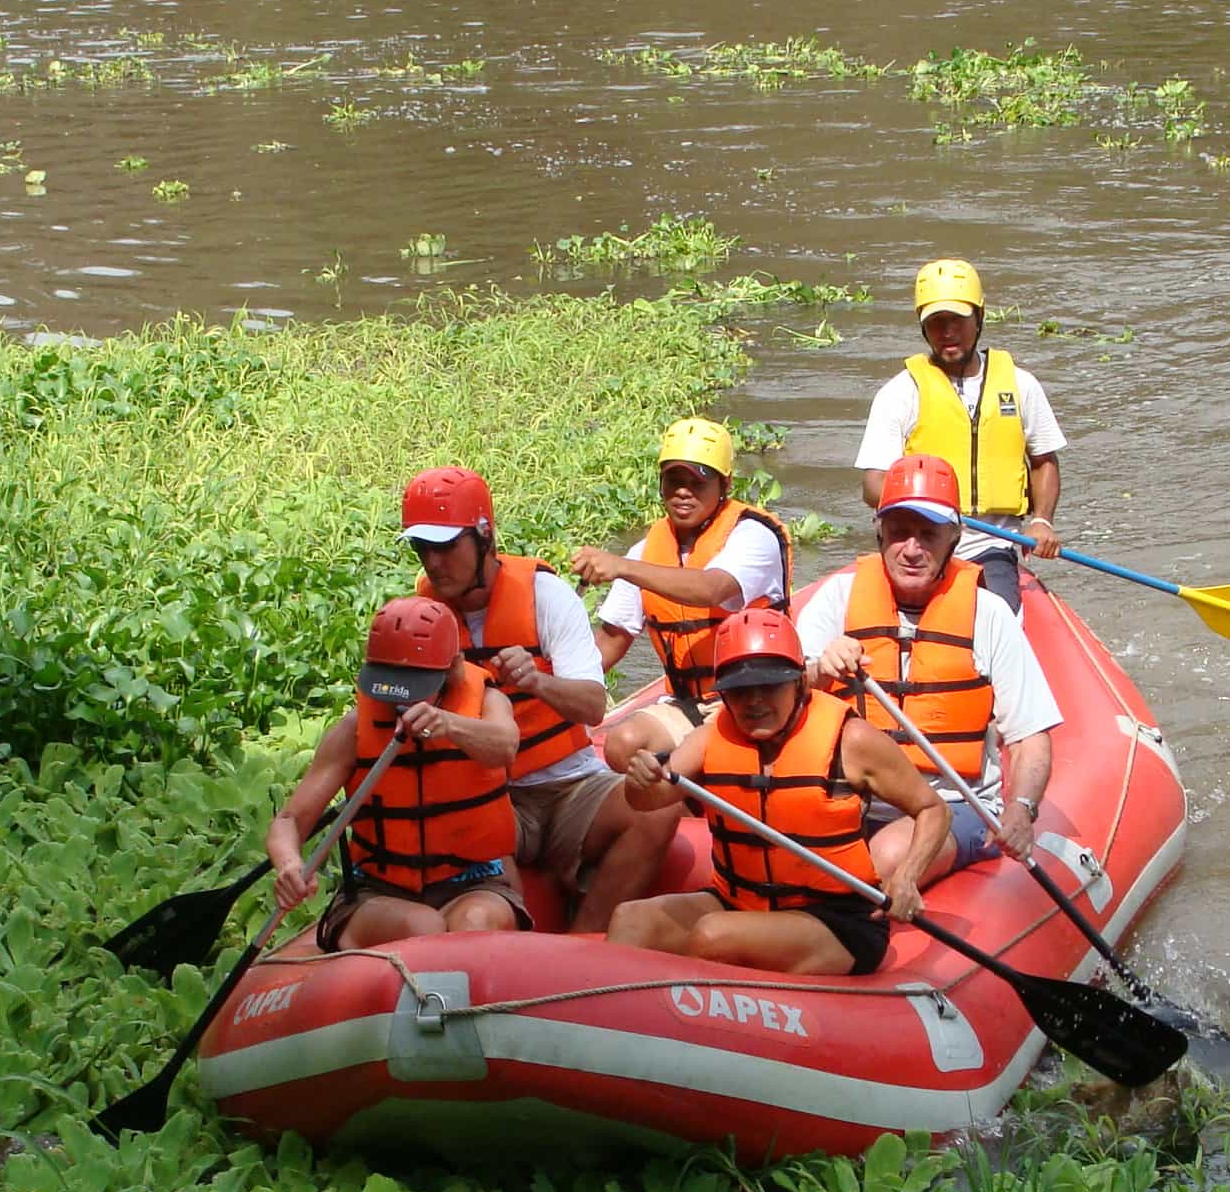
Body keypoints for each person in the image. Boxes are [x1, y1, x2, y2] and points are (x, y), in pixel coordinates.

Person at [402, 465, 680, 933]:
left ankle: (587, 941)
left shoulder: (543, 595)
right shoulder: (422, 614)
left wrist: (537, 681)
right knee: (461, 827)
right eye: (422, 548)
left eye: (447, 546)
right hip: (486, 794)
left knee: (660, 805)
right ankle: (516, 939)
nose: (433, 562)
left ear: (483, 538)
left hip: (568, 785)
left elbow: (593, 705)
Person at [608, 609, 949, 977]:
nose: (753, 701)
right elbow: (648, 800)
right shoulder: (711, 736)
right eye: (739, 691)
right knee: (631, 920)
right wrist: (639, 781)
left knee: (713, 936)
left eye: (769, 686)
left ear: (800, 683)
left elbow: (933, 809)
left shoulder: (853, 740)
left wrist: (907, 875)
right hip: (738, 902)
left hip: (836, 919)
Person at [801, 454, 1062, 883]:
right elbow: (784, 695)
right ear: (880, 532)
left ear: (953, 539)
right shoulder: (838, 599)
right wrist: (818, 671)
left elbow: (1031, 737)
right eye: (900, 532)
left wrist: (1023, 809)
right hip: (851, 795)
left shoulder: (988, 613)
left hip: (957, 805)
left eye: (928, 534)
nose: (912, 548)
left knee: (886, 855)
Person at [268, 596, 526, 951]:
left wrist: (449, 724)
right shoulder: (353, 731)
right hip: (379, 889)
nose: (400, 699)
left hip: (472, 881)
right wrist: (289, 863)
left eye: (415, 683)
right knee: (423, 927)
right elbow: (289, 820)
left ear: (453, 667)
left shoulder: (487, 703)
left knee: (473, 923)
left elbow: (505, 745)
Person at [572, 417, 793, 771]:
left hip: (759, 696)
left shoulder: (754, 536)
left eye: (697, 482)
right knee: (622, 745)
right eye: (674, 481)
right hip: (692, 701)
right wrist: (549, 683)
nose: (683, 492)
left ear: (725, 485)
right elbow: (612, 641)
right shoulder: (646, 552)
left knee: (716, 753)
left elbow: (712, 588)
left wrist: (622, 567)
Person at [855, 256, 1069, 612]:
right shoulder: (900, 392)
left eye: (958, 320)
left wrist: (1042, 521)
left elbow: (1044, 460)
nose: (948, 332)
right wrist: (933, 506)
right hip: (918, 543)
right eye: (937, 323)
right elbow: (873, 485)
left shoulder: (1021, 385)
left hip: (990, 546)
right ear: (923, 328)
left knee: (999, 618)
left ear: (980, 317)